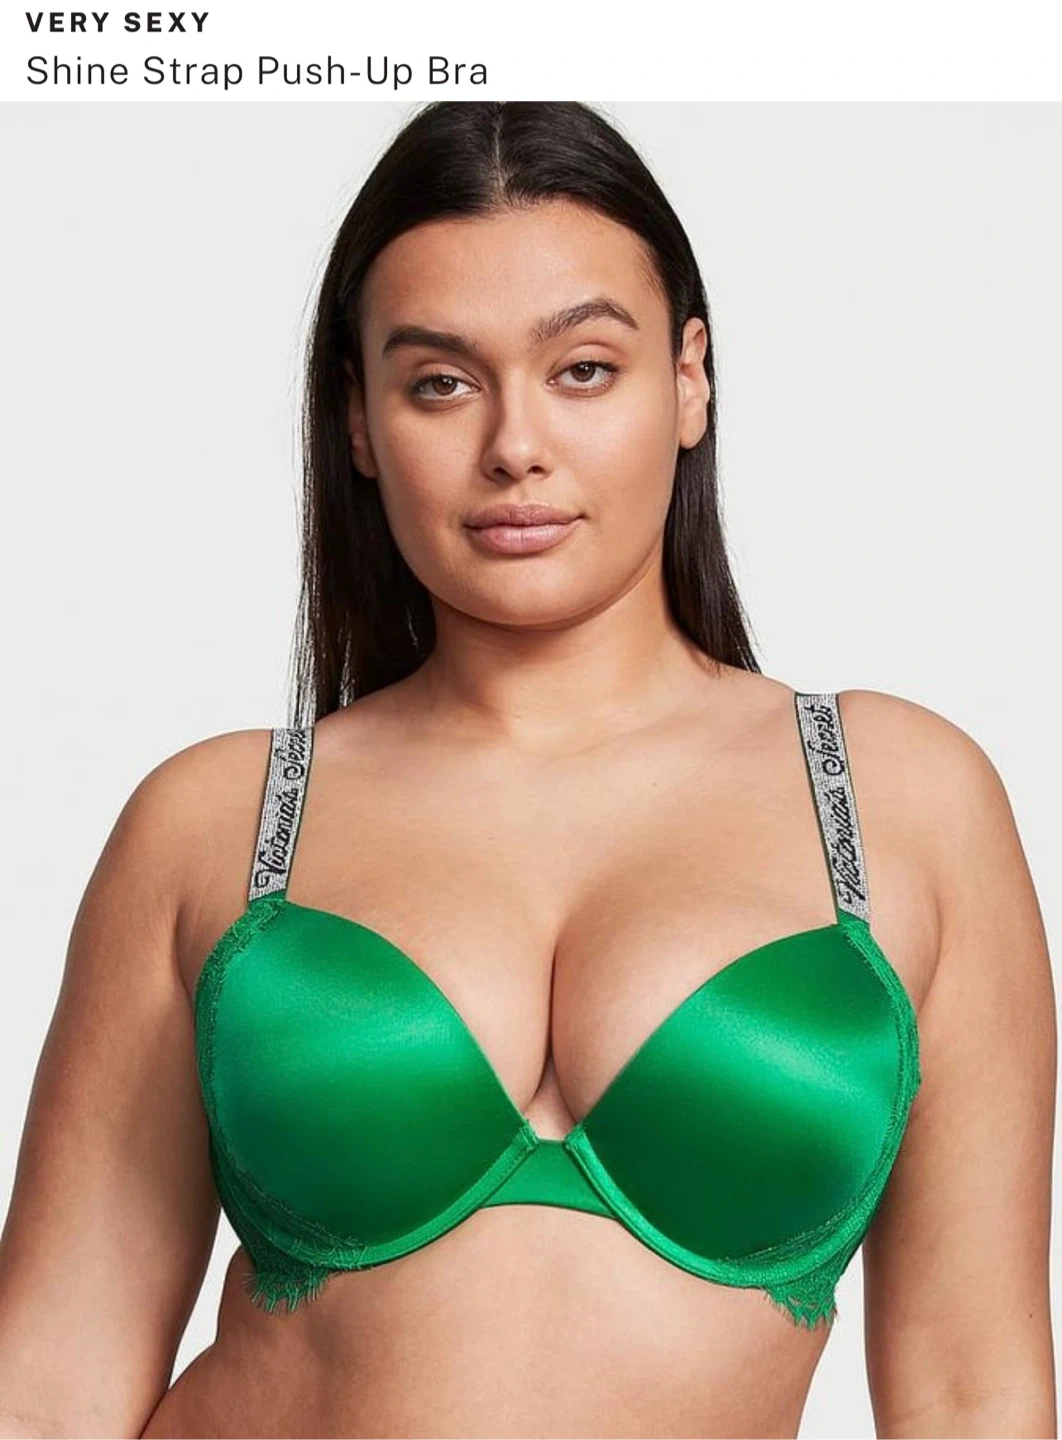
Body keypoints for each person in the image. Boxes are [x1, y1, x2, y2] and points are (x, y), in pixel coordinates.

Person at [0, 100, 1054, 1440]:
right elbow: (50, 1379)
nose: (514, 445)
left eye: (583, 369)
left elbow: (973, 1387)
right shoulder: (218, 822)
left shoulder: (900, 801)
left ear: (690, 379)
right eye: (440, 383)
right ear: (360, 421)